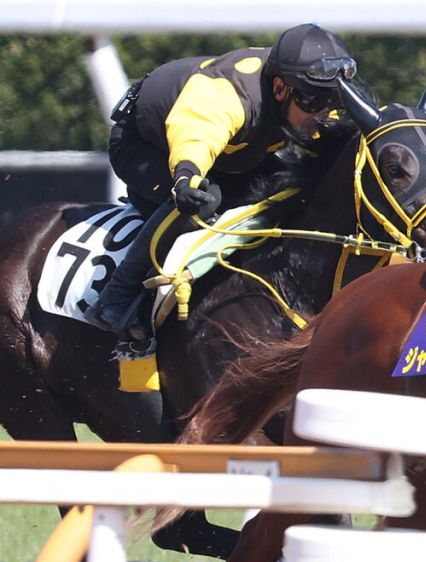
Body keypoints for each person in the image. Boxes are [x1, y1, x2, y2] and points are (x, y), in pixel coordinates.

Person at [85, 22, 359, 341]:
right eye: (314, 101)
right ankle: (116, 297)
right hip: (144, 146)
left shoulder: (305, 97)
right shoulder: (230, 95)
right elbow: (197, 138)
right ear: (280, 88)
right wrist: (186, 179)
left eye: (334, 100)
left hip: (230, 156)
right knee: (206, 199)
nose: (325, 113)